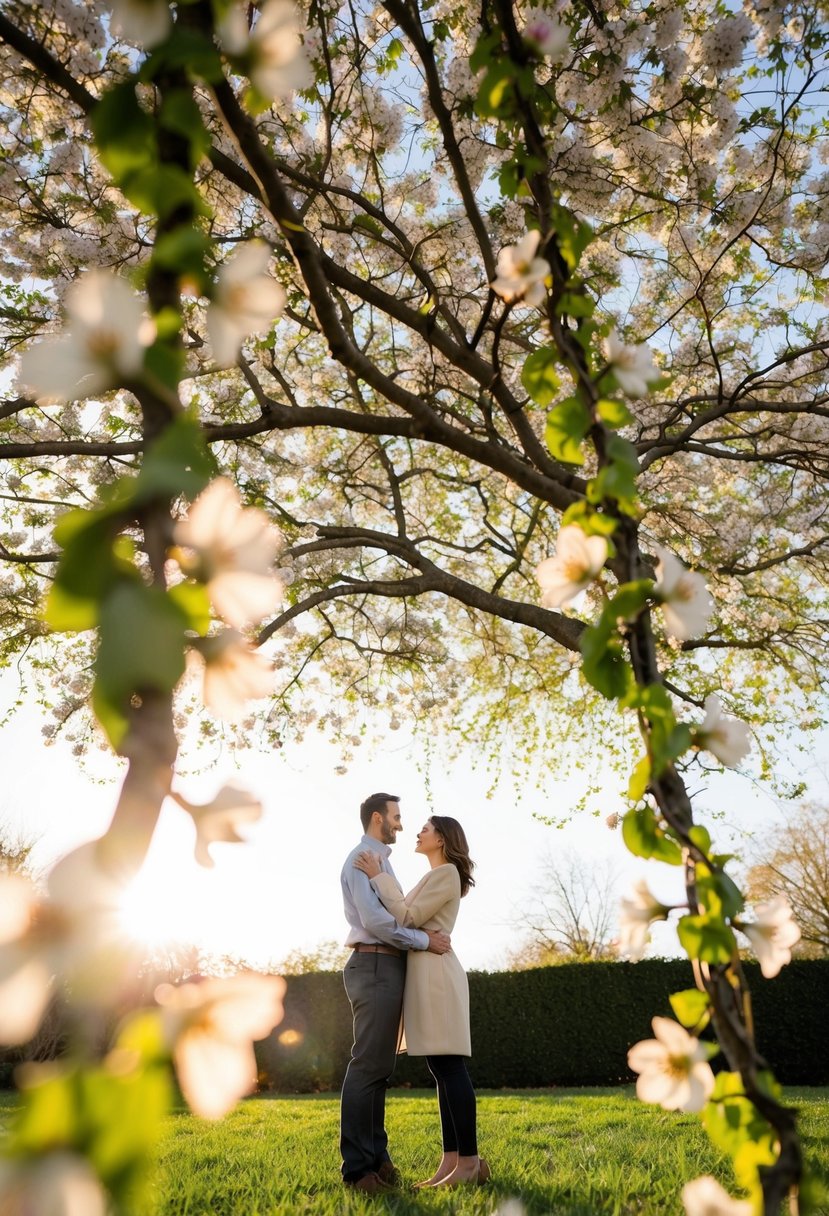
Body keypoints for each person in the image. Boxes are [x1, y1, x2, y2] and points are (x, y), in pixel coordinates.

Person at [354, 815, 489, 1188]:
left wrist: (377, 876)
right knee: (441, 1070)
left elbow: (408, 916)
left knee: (450, 1069)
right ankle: (451, 1161)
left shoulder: (446, 873)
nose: (418, 832)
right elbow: (409, 920)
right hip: (426, 977)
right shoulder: (434, 875)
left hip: (438, 980)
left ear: (443, 838)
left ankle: (470, 1163)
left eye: (426, 829)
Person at [339, 792, 452, 1194]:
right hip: (372, 963)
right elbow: (377, 921)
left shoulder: (382, 863)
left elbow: (396, 912)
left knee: (380, 1068)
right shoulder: (360, 859)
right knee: (367, 1065)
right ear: (376, 819)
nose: (401, 824)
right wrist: (424, 940)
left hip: (386, 965)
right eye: (396, 817)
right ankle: (356, 1169)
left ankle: (378, 1157)